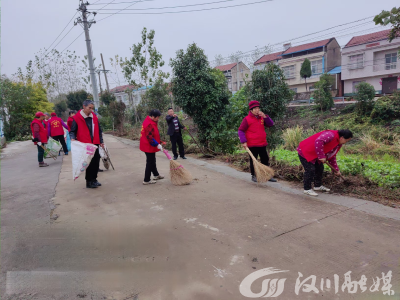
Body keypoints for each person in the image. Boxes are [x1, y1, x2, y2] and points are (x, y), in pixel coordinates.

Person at [297, 129, 353, 196]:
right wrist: (321, 156)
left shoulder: (338, 144)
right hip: (306, 151)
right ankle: (307, 189)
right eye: (346, 141)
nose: (345, 142)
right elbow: (319, 141)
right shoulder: (330, 135)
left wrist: (335, 170)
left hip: (316, 154)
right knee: (310, 170)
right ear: (342, 137)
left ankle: (317, 186)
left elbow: (332, 156)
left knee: (320, 168)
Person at [238, 100, 277, 183]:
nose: (257, 110)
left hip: (262, 143)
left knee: (265, 159)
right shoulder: (247, 119)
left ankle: (267, 175)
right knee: (253, 160)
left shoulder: (262, 117)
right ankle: (254, 175)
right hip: (252, 144)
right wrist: (243, 141)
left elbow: (270, 124)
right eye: (255, 108)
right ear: (251, 110)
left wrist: (265, 116)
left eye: (258, 108)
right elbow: (240, 130)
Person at [70, 100, 104, 189]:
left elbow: (99, 130)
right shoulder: (77, 118)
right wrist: (72, 138)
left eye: (92, 108)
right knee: (89, 163)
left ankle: (94, 179)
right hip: (86, 144)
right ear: (84, 107)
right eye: (89, 108)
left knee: (96, 162)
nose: (91, 110)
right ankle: (89, 181)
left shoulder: (94, 117)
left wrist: (101, 141)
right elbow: (72, 131)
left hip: (95, 143)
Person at [140, 109, 165, 185]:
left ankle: (156, 175)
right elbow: (150, 137)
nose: (158, 119)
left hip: (149, 145)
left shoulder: (151, 121)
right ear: (153, 117)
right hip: (148, 145)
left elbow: (153, 134)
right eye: (157, 117)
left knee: (152, 160)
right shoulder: (149, 124)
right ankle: (146, 180)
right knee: (150, 162)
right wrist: (157, 144)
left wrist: (159, 142)